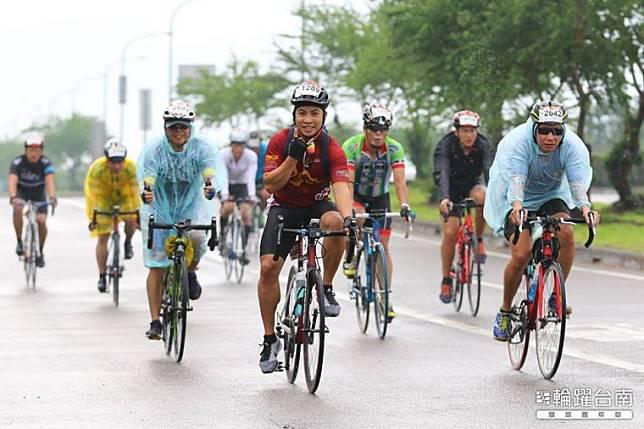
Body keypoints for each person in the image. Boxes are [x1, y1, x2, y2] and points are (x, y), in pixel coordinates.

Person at [257, 80, 353, 373]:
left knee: (337, 223)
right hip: (284, 206)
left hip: (316, 204)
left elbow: (341, 186)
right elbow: (270, 185)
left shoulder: (331, 148)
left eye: (314, 113)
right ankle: (269, 339)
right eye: (302, 113)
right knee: (268, 268)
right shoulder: (279, 141)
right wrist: (292, 157)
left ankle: (325, 288)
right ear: (294, 115)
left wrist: (349, 220)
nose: (308, 119)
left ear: (323, 116)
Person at [484, 101, 599, 341]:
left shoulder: (572, 146)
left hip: (551, 195)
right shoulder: (519, 143)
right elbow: (516, 178)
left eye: (557, 131)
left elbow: (577, 183)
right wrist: (517, 206)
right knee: (520, 254)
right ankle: (505, 311)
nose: (550, 137)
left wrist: (586, 209)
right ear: (534, 128)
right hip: (514, 196)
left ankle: (556, 292)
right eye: (544, 130)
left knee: (566, 231)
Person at [138, 101, 224, 340]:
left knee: (196, 237)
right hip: (159, 205)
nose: (179, 132)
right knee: (157, 265)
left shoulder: (201, 148)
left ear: (190, 128)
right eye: (174, 127)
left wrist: (210, 186)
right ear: (166, 128)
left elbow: (209, 171)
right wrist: (147, 192)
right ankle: (155, 321)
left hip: (191, 205)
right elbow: (149, 178)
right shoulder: (155, 150)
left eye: (183, 127)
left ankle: (191, 272)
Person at [341, 103, 413, 320]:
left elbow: (399, 181)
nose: (378, 134)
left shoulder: (394, 149)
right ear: (365, 128)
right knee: (357, 220)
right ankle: (351, 255)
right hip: (357, 196)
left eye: (383, 130)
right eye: (373, 129)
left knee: (384, 247)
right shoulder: (352, 146)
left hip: (381, 198)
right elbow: (348, 181)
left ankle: (386, 298)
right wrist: (350, 210)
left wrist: (404, 205)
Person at [432, 110, 493, 304]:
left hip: (471, 185)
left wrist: (495, 196)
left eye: (472, 131)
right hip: (450, 188)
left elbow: (489, 171)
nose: (469, 135)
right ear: (456, 132)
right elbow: (442, 172)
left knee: (483, 197)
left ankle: (479, 240)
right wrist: (444, 198)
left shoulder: (483, 145)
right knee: (450, 233)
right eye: (464, 131)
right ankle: (446, 279)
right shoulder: (445, 146)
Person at [84, 139, 140, 292]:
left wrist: (138, 215)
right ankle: (102, 276)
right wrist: (93, 217)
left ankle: (127, 242)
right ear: (106, 160)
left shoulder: (132, 168)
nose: (117, 166)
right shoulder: (97, 169)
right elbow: (92, 196)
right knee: (103, 237)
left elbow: (136, 193)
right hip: (103, 197)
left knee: (131, 218)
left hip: (124, 196)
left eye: (120, 162)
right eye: (113, 162)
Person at [8, 132, 57, 267]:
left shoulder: (45, 162)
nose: (33, 153)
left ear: (41, 151)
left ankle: (40, 251)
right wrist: (13, 196)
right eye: (30, 150)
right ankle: (19, 241)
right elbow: (12, 180)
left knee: (41, 221)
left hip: (38, 194)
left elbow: (50, 181)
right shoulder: (17, 162)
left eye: (37, 150)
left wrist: (52, 197)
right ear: (26, 150)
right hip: (22, 192)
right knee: (17, 209)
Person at [219, 128, 258, 265]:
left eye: (241, 145)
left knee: (246, 214)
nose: (238, 148)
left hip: (242, 185)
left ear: (245, 145)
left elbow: (250, 177)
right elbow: (222, 175)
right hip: (227, 184)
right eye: (235, 144)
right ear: (231, 145)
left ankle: (243, 250)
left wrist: (251, 195)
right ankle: (222, 236)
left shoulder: (251, 156)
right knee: (228, 207)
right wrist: (224, 195)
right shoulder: (223, 155)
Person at [248, 130, 270, 208]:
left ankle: (261, 211)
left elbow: (270, 169)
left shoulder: (266, 149)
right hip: (246, 178)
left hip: (261, 178)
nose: (254, 148)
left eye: (256, 144)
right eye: (252, 145)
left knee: (266, 195)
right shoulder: (245, 150)